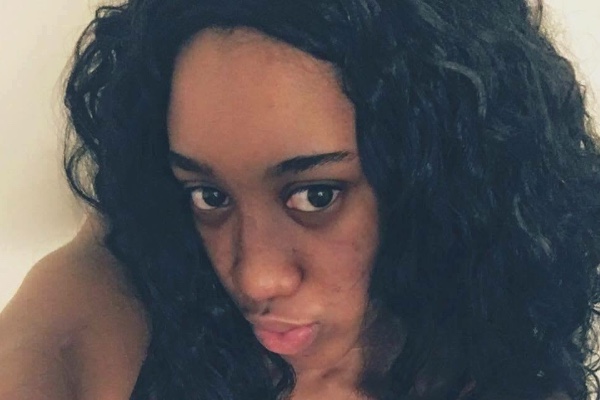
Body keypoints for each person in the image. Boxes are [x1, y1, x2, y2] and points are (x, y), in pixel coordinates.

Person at [1, 0, 600, 399]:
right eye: (209, 195)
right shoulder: (123, 300)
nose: (256, 278)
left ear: (440, 175)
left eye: (316, 196)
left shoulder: (505, 361)